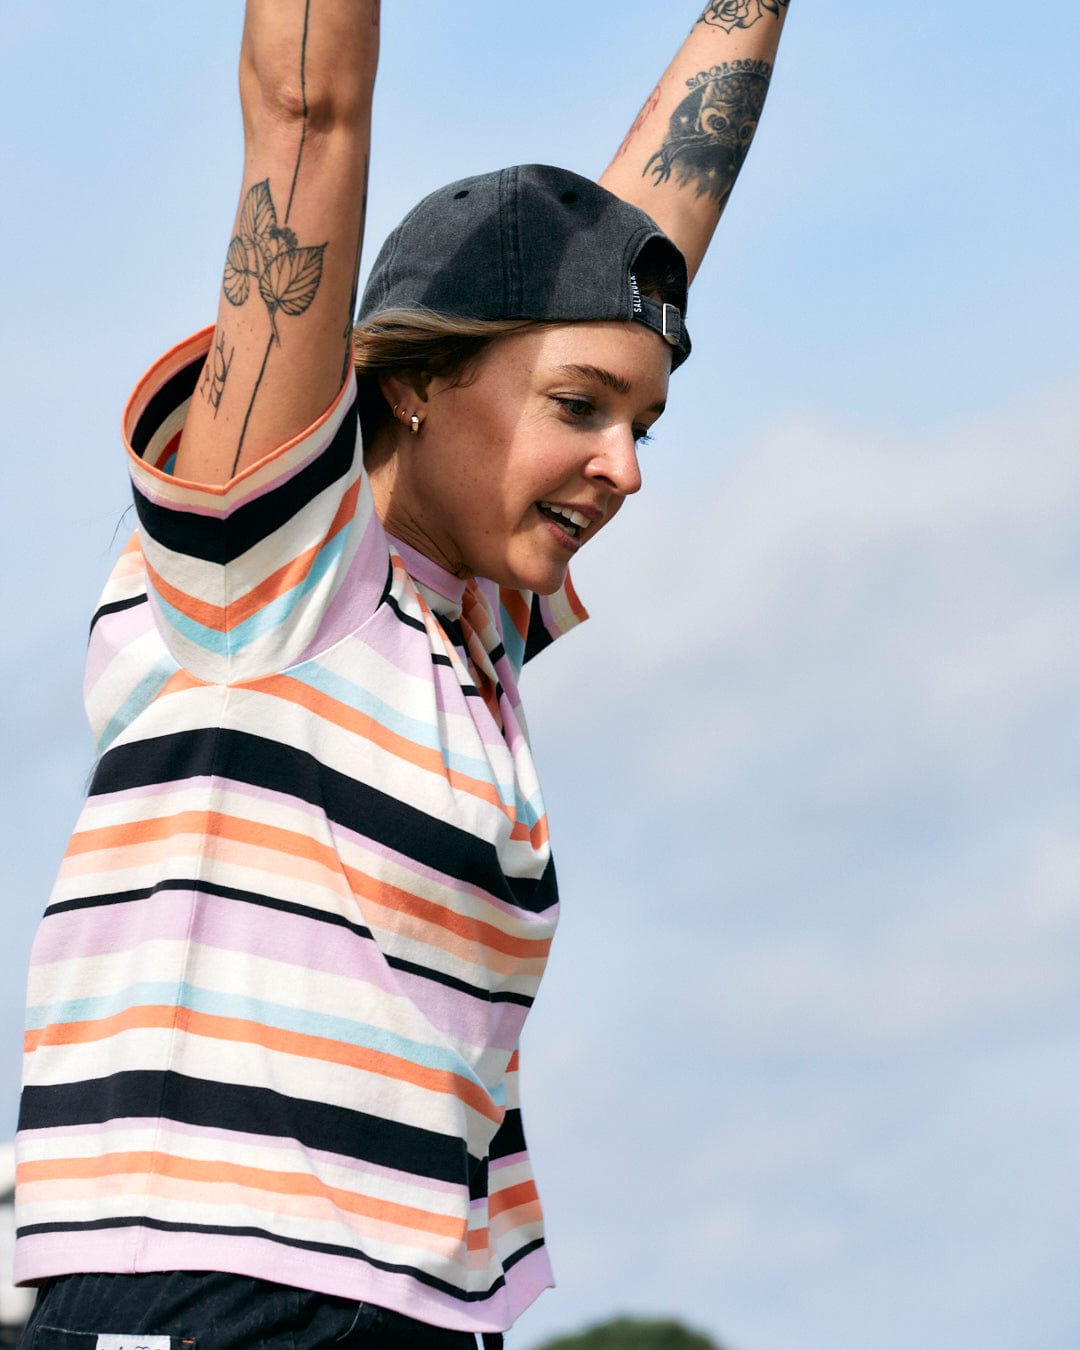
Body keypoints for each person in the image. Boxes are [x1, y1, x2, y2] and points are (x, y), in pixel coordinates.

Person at [14, 3, 789, 1346]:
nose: (628, 465)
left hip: (421, 1308)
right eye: (580, 408)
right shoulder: (271, 564)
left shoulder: (474, 625)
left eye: (643, 418)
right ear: (426, 380)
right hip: (212, 1293)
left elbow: (632, 249)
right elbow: (307, 113)